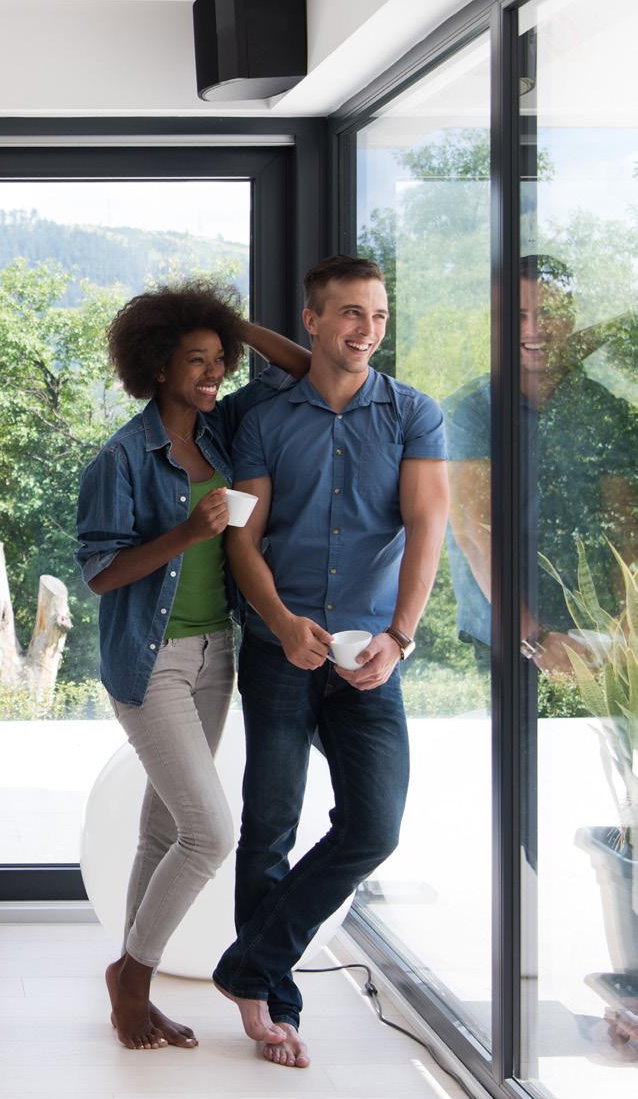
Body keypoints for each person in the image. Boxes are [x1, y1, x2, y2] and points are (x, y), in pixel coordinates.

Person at [212, 254, 449, 1068]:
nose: (367, 329)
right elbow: (242, 539)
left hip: (370, 652)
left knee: (374, 826)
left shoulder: (414, 414)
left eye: (378, 315)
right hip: (280, 649)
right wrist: (280, 623)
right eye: (350, 312)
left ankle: (249, 964)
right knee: (269, 825)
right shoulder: (264, 421)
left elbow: (428, 525)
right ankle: (271, 1004)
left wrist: (400, 637)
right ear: (312, 319)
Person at [75, 277, 311, 1050]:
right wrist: (186, 532)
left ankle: (130, 983)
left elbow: (301, 372)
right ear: (157, 367)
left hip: (216, 654)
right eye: (195, 360)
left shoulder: (221, 429)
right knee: (209, 834)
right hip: (152, 664)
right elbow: (101, 573)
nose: (213, 374)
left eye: (219, 360)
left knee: (162, 830)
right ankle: (132, 980)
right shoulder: (122, 457)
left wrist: (229, 324)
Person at [445, 254, 637, 678]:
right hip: (508, 637)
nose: (534, 329)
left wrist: (627, 624)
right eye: (518, 316)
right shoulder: (472, 412)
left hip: (595, 635)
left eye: (548, 313)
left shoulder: (601, 408)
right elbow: (475, 535)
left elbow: (624, 526)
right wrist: (535, 637)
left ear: (571, 317)